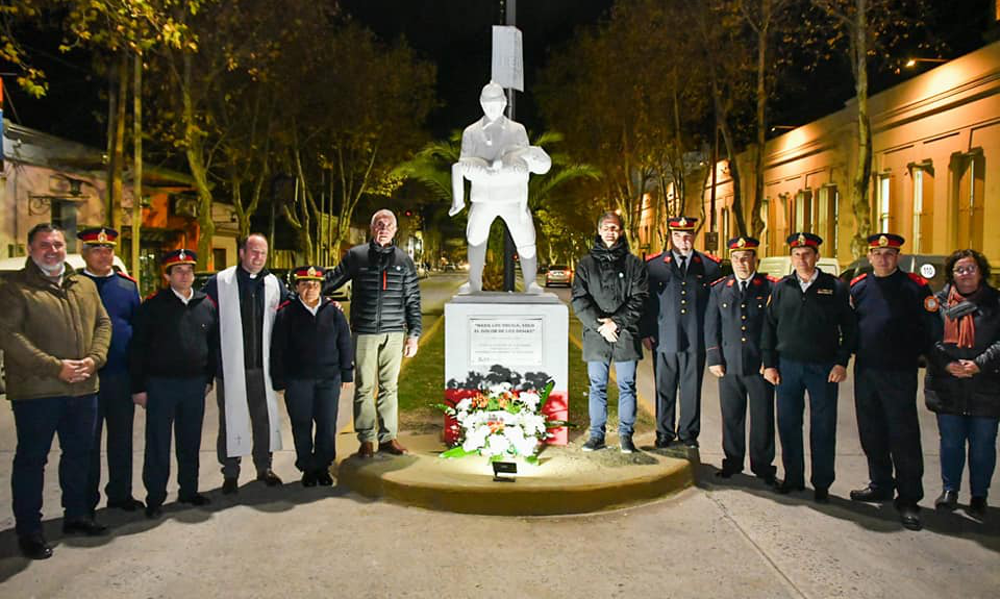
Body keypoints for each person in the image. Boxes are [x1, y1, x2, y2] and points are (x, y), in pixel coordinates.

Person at [0, 223, 112, 560]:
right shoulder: (14, 288)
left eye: (58, 244)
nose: (52, 250)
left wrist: (94, 359)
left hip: (83, 388)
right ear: (31, 249)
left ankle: (76, 515)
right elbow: (9, 336)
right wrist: (56, 367)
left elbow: (103, 324)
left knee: (80, 455)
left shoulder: (84, 286)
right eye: (44, 245)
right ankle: (29, 530)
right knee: (33, 460)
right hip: (38, 391)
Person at [762, 232, 856, 503]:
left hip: (823, 368)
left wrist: (841, 362)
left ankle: (822, 483)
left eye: (807, 254)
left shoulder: (836, 288)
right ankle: (793, 478)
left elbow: (850, 329)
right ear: (791, 257)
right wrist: (769, 364)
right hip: (787, 367)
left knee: (823, 427)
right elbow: (768, 327)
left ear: (817, 257)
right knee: (789, 424)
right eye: (796, 254)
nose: (802, 259)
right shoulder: (781, 288)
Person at [849, 233, 933, 530]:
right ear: (869, 256)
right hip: (867, 370)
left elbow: (930, 327)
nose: (883, 258)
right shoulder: (859, 287)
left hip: (900, 372)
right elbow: (849, 327)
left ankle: (909, 498)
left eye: (889, 253)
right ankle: (880, 483)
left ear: (897, 257)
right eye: (878, 253)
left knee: (903, 435)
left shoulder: (915, 287)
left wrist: (923, 358)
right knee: (871, 431)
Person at [324, 209, 422, 458]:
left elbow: (413, 300)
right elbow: (331, 280)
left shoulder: (404, 260)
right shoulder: (356, 256)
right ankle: (366, 439)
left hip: (394, 333)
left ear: (395, 230)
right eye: (379, 223)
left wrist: (414, 334)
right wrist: (314, 292)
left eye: (388, 224)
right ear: (371, 228)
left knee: (390, 387)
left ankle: (388, 437)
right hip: (364, 332)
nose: (383, 227)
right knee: (364, 387)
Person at [130, 250, 216, 519]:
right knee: (158, 442)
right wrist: (138, 387)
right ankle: (155, 497)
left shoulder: (206, 304)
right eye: (178, 270)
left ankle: (189, 490)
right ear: (166, 275)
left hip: (194, 384)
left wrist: (208, 378)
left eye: (189, 270)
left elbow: (213, 345)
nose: (185, 275)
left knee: (190, 441)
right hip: (161, 384)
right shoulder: (153, 306)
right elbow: (138, 348)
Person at [203, 233, 290, 494]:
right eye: (253, 252)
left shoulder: (274, 284)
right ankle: (230, 473)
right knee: (229, 421)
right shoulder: (220, 282)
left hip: (261, 368)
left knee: (263, 420)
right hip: (229, 369)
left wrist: (324, 304)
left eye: (262, 253)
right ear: (241, 253)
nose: (258, 257)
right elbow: (203, 320)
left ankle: (264, 467)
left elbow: (290, 312)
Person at [450, 81, 551, 294]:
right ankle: (474, 282)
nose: (492, 107)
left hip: (511, 195)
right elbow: (464, 163)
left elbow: (525, 162)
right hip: (483, 195)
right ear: (481, 103)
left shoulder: (517, 130)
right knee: (475, 236)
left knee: (525, 237)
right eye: (487, 103)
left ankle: (531, 282)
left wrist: (507, 167)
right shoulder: (471, 132)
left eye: (496, 103)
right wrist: (483, 170)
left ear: (504, 103)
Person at [924, 249, 1000, 520]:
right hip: (948, 385)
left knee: (982, 445)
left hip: (987, 385)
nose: (965, 274)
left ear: (981, 272)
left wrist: (979, 363)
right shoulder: (937, 304)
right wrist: (946, 363)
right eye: (960, 269)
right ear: (951, 274)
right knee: (952, 443)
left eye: (971, 268)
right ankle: (950, 491)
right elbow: (927, 338)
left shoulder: (996, 302)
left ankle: (979, 495)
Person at [77, 227, 144, 515]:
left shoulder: (127, 287)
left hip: (120, 376)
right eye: (96, 250)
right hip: (85, 378)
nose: (103, 255)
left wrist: (139, 379)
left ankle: (120, 493)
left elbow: (138, 335)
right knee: (86, 444)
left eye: (108, 250)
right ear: (84, 253)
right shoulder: (74, 286)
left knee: (121, 440)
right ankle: (84, 501)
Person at [640, 216, 722, 449]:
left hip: (695, 338)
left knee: (691, 390)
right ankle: (664, 433)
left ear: (694, 236)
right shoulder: (654, 265)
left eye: (688, 235)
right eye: (678, 235)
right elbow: (646, 302)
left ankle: (688, 434)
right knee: (664, 389)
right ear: (671, 237)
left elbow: (714, 307)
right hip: (663, 338)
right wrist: (645, 332)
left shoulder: (709, 266)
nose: (683, 240)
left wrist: (712, 342)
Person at [570, 211, 648, 454]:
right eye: (606, 227)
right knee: (597, 386)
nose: (610, 232)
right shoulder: (585, 264)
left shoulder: (634, 264)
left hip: (624, 335)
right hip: (597, 336)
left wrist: (617, 323)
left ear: (621, 231)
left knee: (626, 386)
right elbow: (579, 299)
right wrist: (600, 325)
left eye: (614, 228)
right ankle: (597, 435)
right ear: (599, 230)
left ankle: (626, 435)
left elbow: (639, 298)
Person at [271, 265, 354, 486]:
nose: (310, 288)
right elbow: (277, 349)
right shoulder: (286, 313)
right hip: (298, 380)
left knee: (327, 424)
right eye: (305, 284)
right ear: (297, 287)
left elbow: (344, 343)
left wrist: (347, 373)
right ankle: (308, 468)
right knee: (302, 424)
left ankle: (323, 467)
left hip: (329, 379)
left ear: (321, 287)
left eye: (315, 284)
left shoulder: (333, 311)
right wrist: (279, 380)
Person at [704, 236, 777, 485]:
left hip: (760, 366)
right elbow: (710, 326)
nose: (741, 262)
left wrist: (770, 361)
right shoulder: (719, 288)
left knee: (762, 418)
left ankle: (763, 466)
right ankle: (733, 462)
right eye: (736, 258)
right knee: (732, 416)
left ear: (755, 259)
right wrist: (714, 358)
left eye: (746, 257)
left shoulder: (769, 288)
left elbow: (775, 327)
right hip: (729, 364)